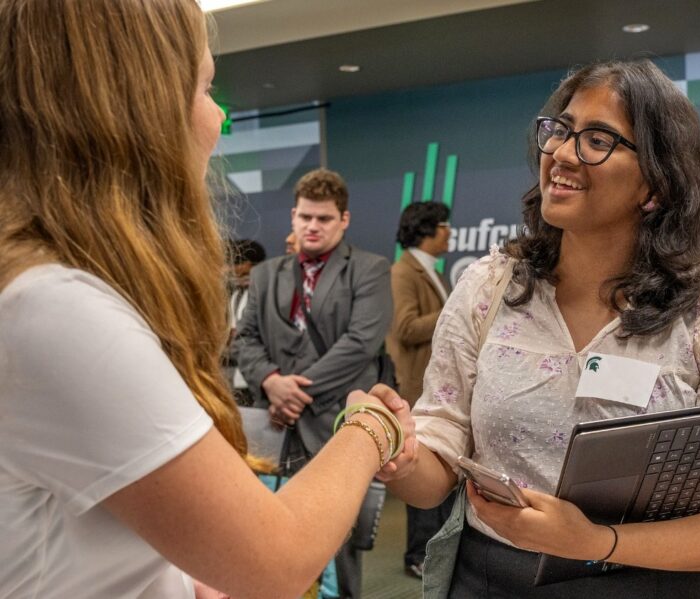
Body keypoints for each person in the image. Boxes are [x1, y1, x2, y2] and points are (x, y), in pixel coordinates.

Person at [0, 2, 414, 598]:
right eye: (204, 86)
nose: (217, 116)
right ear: (139, 107)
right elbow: (277, 560)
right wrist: (373, 426)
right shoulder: (56, 310)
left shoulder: (36, 292)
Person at [376, 59, 700, 598]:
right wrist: (399, 453)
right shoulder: (492, 287)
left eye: (597, 139)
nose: (561, 153)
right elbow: (439, 451)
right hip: (488, 580)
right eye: (560, 130)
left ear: (655, 183)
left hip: (650, 584)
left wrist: (594, 540)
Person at [234, 167, 393, 599]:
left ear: (344, 220)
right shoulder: (266, 274)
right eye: (305, 217)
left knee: (338, 551)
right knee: (267, 543)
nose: (312, 226)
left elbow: (361, 342)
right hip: (274, 431)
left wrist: (294, 390)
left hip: (335, 426)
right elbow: (245, 338)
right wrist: (269, 381)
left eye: (324, 218)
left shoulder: (369, 269)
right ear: (293, 216)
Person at [386, 201, 454, 578]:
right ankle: (418, 555)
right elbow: (406, 327)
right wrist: (456, 309)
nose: (450, 233)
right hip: (416, 389)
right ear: (427, 229)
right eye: (445, 226)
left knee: (441, 476)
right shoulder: (403, 271)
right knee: (420, 476)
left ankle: (436, 552)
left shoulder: (435, 273)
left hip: (439, 389)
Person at [224, 239, 266, 406]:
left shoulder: (264, 290)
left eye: (232, 263)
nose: (228, 268)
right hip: (239, 370)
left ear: (247, 264)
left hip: (259, 371)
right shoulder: (236, 292)